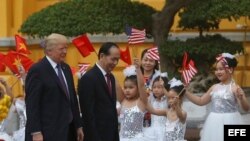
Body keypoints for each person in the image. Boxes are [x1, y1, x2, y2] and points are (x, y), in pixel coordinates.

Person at [25, 33, 84, 141]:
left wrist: (78, 125)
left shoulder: (66, 69)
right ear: (49, 51)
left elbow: (72, 100)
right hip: (47, 132)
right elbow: (32, 104)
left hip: (69, 131)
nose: (65, 52)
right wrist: (36, 132)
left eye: (66, 48)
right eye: (61, 49)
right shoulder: (37, 70)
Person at [185, 53, 250, 141]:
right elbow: (200, 101)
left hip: (231, 121)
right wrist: (186, 93)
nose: (217, 72)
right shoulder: (214, 87)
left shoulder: (235, 88)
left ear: (230, 69)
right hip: (214, 123)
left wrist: (242, 98)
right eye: (216, 69)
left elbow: (246, 108)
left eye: (221, 69)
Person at [78, 42, 120, 141]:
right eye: (113, 59)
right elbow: (88, 114)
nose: (115, 63)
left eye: (117, 60)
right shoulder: (88, 78)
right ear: (102, 56)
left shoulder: (111, 77)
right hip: (96, 136)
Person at [118, 61, 148, 141]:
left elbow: (141, 85)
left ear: (138, 89)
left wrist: (138, 69)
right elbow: (115, 84)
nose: (127, 90)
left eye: (131, 87)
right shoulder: (123, 100)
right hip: (122, 138)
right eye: (125, 87)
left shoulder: (141, 102)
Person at [143, 74, 169, 141]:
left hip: (164, 131)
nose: (156, 90)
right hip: (152, 130)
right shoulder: (152, 101)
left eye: (159, 87)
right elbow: (144, 103)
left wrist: (163, 87)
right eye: (154, 87)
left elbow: (170, 97)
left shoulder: (167, 100)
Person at [140, 49, 160, 127]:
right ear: (141, 61)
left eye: (151, 61)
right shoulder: (135, 77)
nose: (148, 63)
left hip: (154, 112)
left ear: (155, 63)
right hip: (139, 111)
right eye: (145, 60)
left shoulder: (160, 78)